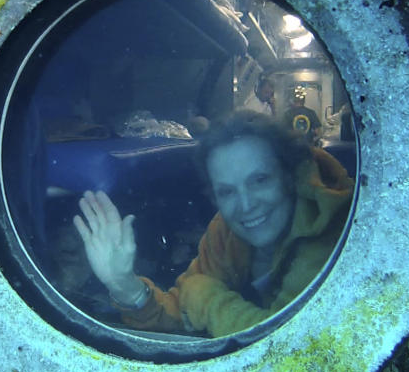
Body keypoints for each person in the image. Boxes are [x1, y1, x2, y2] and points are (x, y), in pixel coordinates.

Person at [73, 110, 352, 337]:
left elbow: (293, 347)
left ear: (290, 176)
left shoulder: (331, 231)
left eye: (260, 180)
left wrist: (206, 299)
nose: (245, 205)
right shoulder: (228, 229)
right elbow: (179, 314)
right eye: (227, 191)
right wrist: (124, 285)